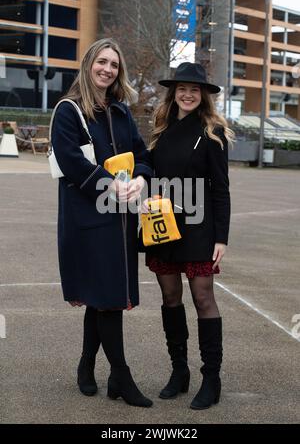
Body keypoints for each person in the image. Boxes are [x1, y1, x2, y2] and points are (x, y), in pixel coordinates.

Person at [51, 38, 153, 408]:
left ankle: (86, 365)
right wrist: (111, 186)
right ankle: (121, 378)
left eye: (113, 64)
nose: (107, 69)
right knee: (109, 298)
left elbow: (142, 156)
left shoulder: (122, 112)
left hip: (120, 219)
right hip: (88, 220)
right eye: (102, 62)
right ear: (89, 64)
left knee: (102, 297)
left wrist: (141, 178)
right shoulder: (69, 110)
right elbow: (70, 162)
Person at [143, 62, 234, 410]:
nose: (187, 94)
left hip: (199, 226)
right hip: (162, 224)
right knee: (169, 297)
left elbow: (221, 190)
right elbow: (150, 173)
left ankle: (212, 378)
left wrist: (221, 238)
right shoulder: (161, 128)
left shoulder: (213, 133)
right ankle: (179, 371)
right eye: (182, 88)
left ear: (204, 95)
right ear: (174, 92)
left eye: (195, 90)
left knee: (203, 297)